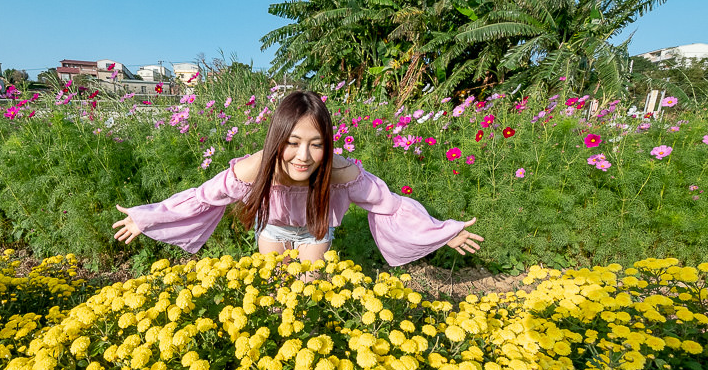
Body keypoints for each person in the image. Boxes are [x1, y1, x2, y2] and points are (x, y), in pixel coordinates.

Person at [112, 90, 483, 267]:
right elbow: (203, 197)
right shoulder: (254, 169)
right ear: (278, 139)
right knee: (273, 285)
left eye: (316, 144)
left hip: (314, 230)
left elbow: (391, 204)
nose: (303, 157)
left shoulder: (340, 171)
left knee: (309, 285)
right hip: (271, 231)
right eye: (292, 143)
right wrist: (147, 218)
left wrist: (442, 231)